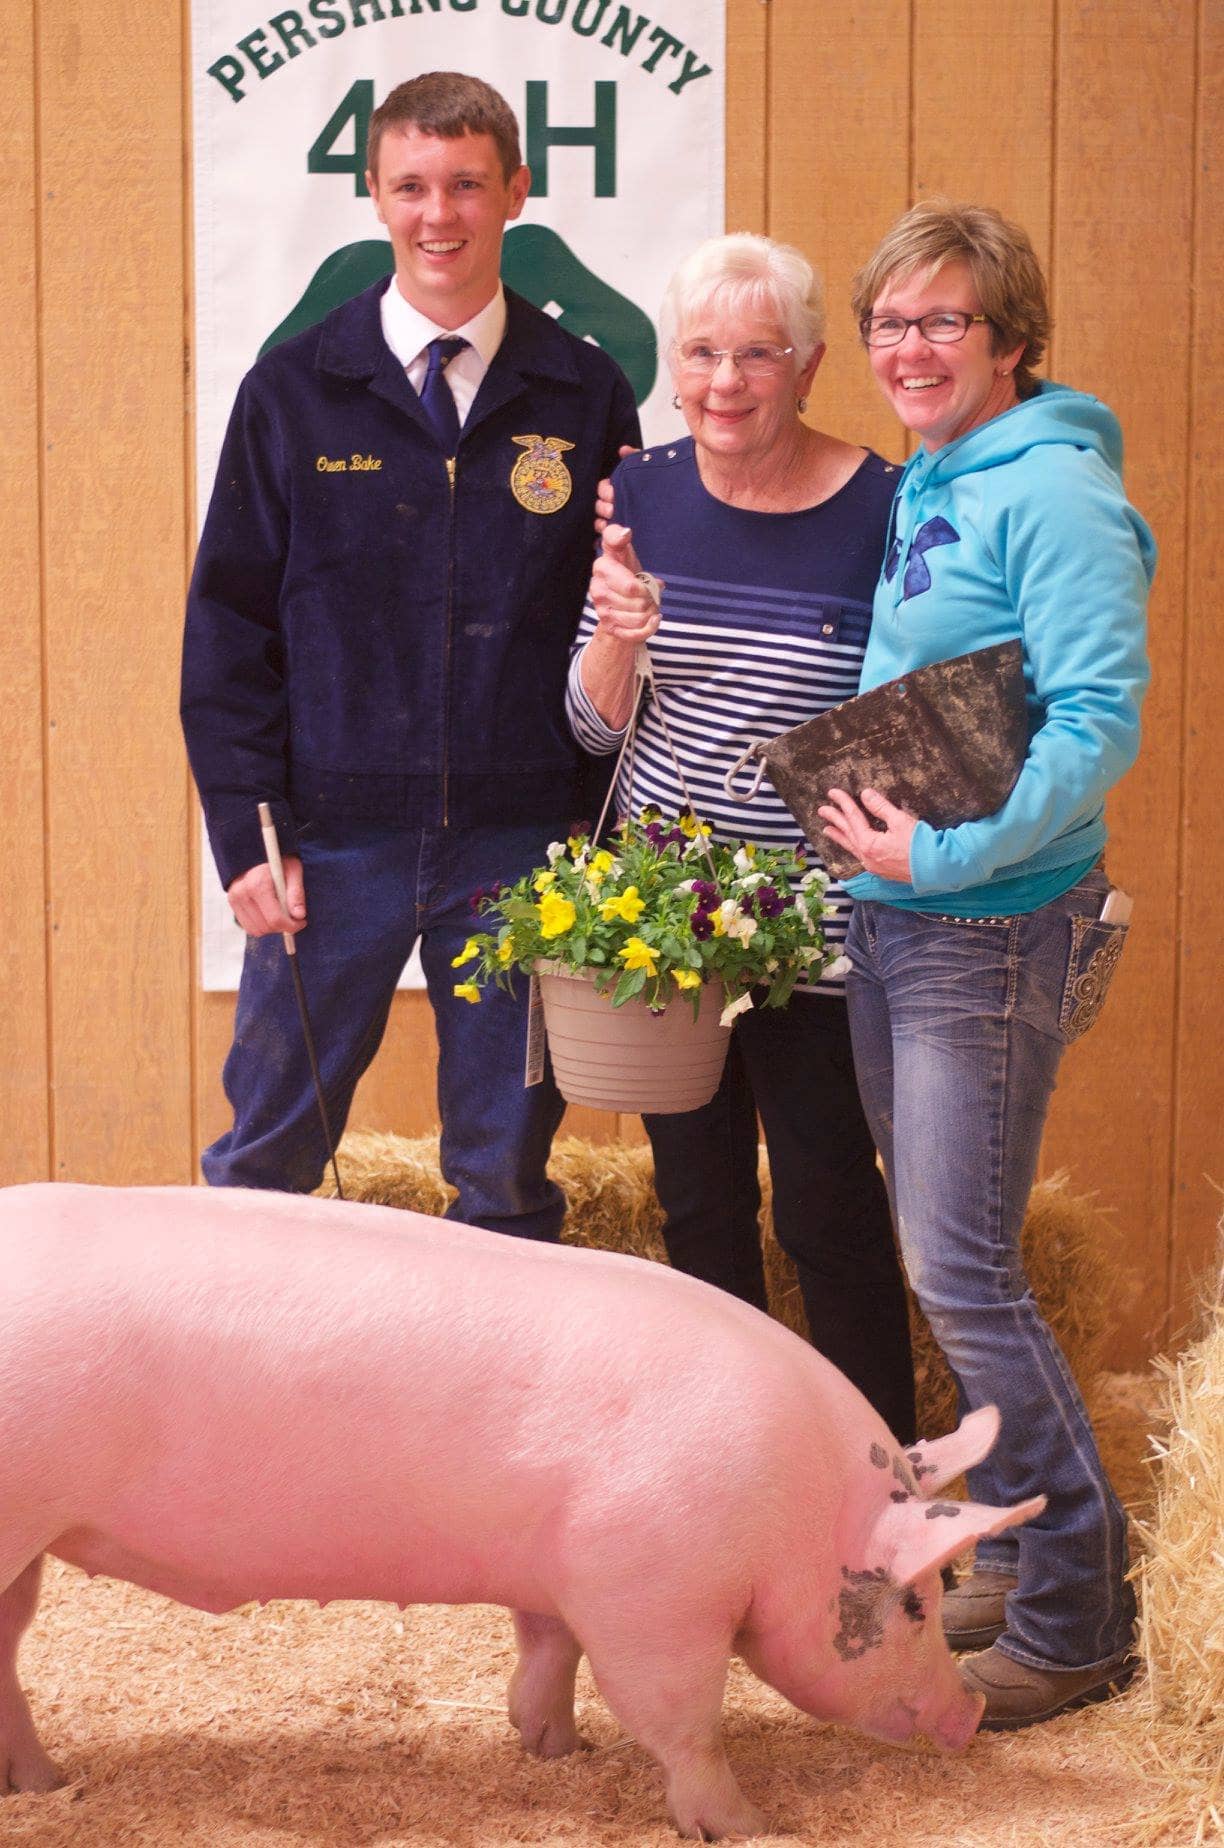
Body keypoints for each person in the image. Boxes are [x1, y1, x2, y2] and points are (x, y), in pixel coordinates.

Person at [181, 72, 640, 1233]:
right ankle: (239, 1403)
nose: (442, 215)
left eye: (469, 186)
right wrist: (247, 832)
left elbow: (618, 618)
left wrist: (593, 840)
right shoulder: (295, 389)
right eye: (413, 187)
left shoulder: (582, 390)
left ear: (517, 193)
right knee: (266, 1159)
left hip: (518, 848)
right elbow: (229, 629)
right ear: (377, 197)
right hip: (330, 849)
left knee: (502, 1176)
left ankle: (489, 1411)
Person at [819, 199, 1154, 1726]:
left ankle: (1082, 1616)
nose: (910, 347)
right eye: (891, 322)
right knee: (941, 1260)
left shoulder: (1059, 490)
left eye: (943, 321)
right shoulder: (935, 477)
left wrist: (942, 860)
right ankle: (1017, 1565)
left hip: (983, 923)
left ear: (1011, 339)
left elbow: (1094, 726)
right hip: (903, 917)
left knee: (963, 1268)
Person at [567, 234, 916, 1444]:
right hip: (671, 920)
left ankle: (879, 1476)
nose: (726, 381)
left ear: (810, 365)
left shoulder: (885, 507)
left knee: (828, 1205)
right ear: (674, 366)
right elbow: (589, 722)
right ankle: (727, 1458)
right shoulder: (642, 494)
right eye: (702, 354)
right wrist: (619, 632)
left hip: (822, 926)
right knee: (698, 1203)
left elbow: (917, 719)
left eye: (756, 354)